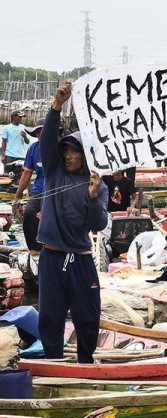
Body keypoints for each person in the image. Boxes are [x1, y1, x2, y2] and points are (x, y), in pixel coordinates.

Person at [36, 81, 109, 364]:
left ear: (86, 154)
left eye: (75, 151)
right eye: (65, 150)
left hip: (80, 259)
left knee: (88, 316)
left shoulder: (96, 185)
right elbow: (47, 140)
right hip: (52, 257)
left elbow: (98, 226)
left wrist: (91, 197)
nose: (68, 155)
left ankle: (85, 362)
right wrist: (57, 105)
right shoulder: (53, 170)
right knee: (50, 316)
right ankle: (53, 363)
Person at [12, 119, 46, 253]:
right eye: (39, 131)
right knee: (30, 212)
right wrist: (17, 197)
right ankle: (34, 249)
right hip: (39, 189)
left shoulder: (61, 146)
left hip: (58, 190)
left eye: (44, 131)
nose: (42, 134)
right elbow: (26, 174)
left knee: (50, 216)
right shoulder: (33, 148)